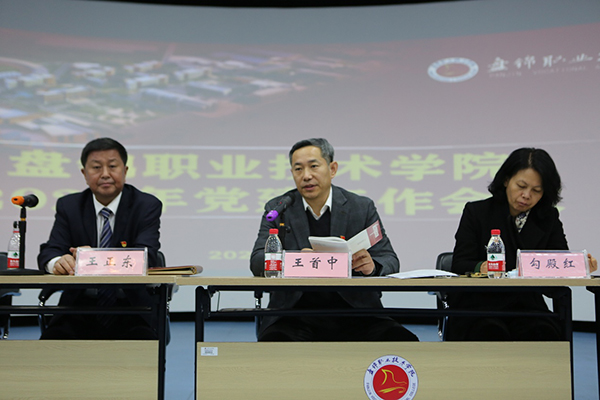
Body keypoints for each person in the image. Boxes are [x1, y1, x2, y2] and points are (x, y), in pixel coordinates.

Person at [250, 138, 418, 342]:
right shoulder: (279, 208)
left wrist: (372, 266)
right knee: (273, 345)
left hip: (357, 313)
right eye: (298, 169)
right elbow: (257, 261)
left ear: (332, 169)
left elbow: (390, 260)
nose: (306, 176)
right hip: (294, 315)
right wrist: (295, 261)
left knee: (403, 342)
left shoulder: (360, 207)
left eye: (313, 166)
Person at [449, 147, 597, 341]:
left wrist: (579, 266)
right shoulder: (477, 212)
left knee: (544, 333)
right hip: (480, 305)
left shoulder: (548, 218)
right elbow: (459, 264)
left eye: (536, 190)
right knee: (490, 332)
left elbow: (558, 263)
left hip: (527, 306)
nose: (527, 195)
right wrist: (481, 267)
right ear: (506, 180)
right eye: (521, 186)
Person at [37, 137, 162, 340]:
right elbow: (51, 250)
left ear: (125, 170)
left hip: (130, 305)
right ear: (84, 174)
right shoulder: (70, 206)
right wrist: (58, 262)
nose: (105, 174)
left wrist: (92, 258)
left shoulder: (145, 205)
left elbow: (146, 256)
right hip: (79, 305)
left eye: (112, 166)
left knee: (145, 347)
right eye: (96, 167)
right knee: (50, 347)